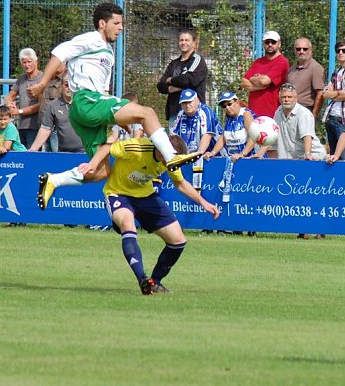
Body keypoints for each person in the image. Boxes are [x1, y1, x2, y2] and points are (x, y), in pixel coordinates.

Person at [30, 3, 200, 209]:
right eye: (116, 23)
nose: (121, 28)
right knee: (147, 113)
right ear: (102, 24)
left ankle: (54, 180)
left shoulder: (108, 53)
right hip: (86, 101)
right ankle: (171, 157)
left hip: (88, 109)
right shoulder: (91, 39)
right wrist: (42, 83)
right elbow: (59, 54)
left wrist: (122, 118)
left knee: (101, 172)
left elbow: (104, 93)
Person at [103, 134, 220, 295]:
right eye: (168, 157)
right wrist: (94, 166)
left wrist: (204, 202)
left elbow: (180, 183)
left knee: (178, 240)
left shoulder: (170, 159)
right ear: (160, 148)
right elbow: (106, 148)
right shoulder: (136, 147)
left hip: (145, 196)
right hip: (118, 193)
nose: (169, 163)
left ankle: (155, 282)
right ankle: (143, 280)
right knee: (127, 224)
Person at [157, 28, 208, 128]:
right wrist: (169, 88)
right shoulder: (173, 64)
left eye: (187, 40)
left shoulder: (197, 60)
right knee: (175, 142)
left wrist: (171, 80)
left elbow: (190, 80)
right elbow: (160, 85)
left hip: (194, 111)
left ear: (193, 43)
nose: (183, 43)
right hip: (174, 112)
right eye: (181, 40)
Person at [241, 30, 290, 118]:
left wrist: (253, 79)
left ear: (279, 43)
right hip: (254, 113)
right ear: (264, 44)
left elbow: (265, 81)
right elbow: (244, 82)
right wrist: (258, 85)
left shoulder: (282, 62)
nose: (270, 44)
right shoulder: (258, 62)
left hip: (272, 113)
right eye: (267, 42)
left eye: (273, 42)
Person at [29, 77, 85, 153]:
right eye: (66, 85)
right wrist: (33, 149)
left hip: (85, 151)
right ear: (62, 86)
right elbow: (45, 129)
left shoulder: (86, 104)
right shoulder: (53, 105)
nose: (69, 88)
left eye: (72, 85)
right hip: (63, 153)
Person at [4, 48, 43, 149]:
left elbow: (41, 105)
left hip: (36, 126)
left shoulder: (42, 78)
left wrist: (19, 111)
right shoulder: (22, 78)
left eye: (29, 61)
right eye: (24, 62)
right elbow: (10, 96)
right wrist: (10, 105)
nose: (26, 65)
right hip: (21, 126)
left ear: (36, 61)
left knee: (32, 157)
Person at [204, 91, 261, 161]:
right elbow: (223, 138)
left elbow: (254, 137)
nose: (227, 107)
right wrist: (212, 153)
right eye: (224, 106)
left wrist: (242, 154)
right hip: (235, 160)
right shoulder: (229, 118)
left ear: (237, 102)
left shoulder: (246, 114)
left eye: (229, 104)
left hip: (251, 160)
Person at [275, 83, 326, 160]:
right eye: (283, 97)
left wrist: (308, 154)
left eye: (289, 97)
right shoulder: (278, 112)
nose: (286, 99)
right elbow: (273, 134)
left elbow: (307, 136)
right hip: (292, 158)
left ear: (296, 98)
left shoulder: (303, 113)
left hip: (313, 157)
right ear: (279, 98)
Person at [171, 89, 220, 157]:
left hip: (213, 154)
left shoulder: (205, 111)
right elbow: (173, 136)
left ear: (197, 100)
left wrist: (198, 154)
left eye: (190, 102)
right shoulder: (181, 114)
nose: (187, 105)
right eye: (184, 103)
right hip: (190, 155)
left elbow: (207, 135)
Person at [287, 37, 326, 118]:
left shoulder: (315, 68)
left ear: (311, 50)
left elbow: (320, 93)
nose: (301, 52)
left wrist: (314, 114)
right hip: (290, 110)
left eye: (305, 49)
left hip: (306, 111)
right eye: (298, 49)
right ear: (294, 51)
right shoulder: (291, 69)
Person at [36, 61, 66, 152]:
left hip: (56, 128)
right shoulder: (47, 79)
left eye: (58, 62)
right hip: (44, 126)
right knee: (47, 158)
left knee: (57, 157)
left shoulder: (66, 81)